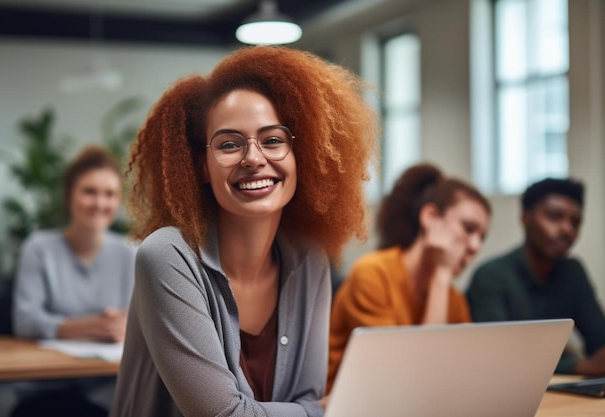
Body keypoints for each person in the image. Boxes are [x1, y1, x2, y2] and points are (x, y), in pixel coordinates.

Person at [109, 45, 378, 417]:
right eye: (230, 145)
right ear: (202, 167)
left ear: (305, 154)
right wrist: (320, 412)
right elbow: (224, 414)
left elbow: (305, 396)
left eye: (272, 140)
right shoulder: (167, 256)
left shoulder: (309, 258)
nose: (253, 158)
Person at [327, 163, 491, 393]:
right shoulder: (373, 273)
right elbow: (409, 381)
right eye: (468, 228)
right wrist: (441, 275)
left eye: (482, 237)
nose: (476, 246)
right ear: (430, 216)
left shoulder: (454, 300)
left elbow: (458, 378)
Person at [11, 145, 136, 415]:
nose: (100, 203)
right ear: (70, 196)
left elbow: (139, 321)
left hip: (108, 388)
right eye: (89, 191)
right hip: (45, 387)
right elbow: (25, 320)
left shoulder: (131, 253)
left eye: (110, 194)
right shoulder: (38, 248)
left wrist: (129, 325)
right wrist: (92, 326)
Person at [466, 177, 605, 375]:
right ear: (525, 218)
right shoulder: (490, 277)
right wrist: (579, 366)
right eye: (554, 217)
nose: (567, 229)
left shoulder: (573, 272)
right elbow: (497, 358)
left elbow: (599, 339)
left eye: (575, 222)